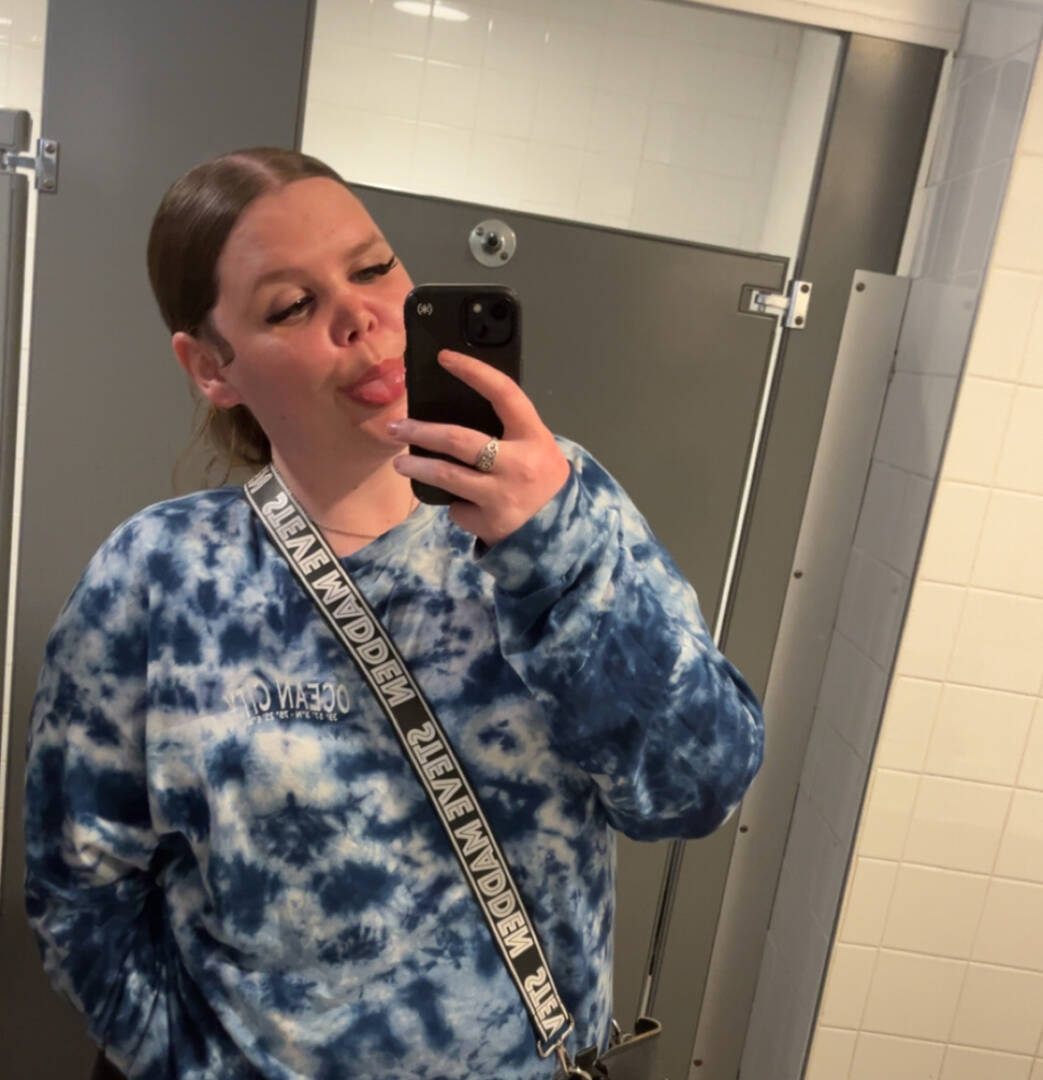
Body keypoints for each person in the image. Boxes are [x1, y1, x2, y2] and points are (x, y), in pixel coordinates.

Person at [23, 147, 765, 1080]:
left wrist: (556, 562)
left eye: (373, 268)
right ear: (211, 366)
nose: (361, 318)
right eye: (292, 306)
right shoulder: (161, 575)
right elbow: (77, 889)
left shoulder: (562, 502)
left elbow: (696, 791)